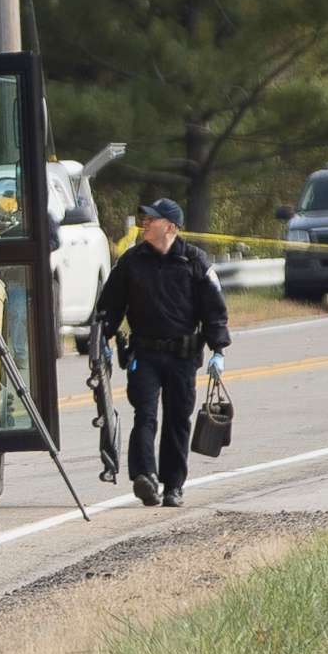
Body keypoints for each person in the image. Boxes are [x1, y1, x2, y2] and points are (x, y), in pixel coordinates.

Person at [90, 198, 230, 508]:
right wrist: (100, 339)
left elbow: (215, 311)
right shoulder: (131, 262)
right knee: (146, 415)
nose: (145, 224)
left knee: (178, 420)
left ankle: (173, 486)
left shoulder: (195, 262)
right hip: (145, 354)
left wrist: (218, 350)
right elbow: (109, 307)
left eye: (151, 220)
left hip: (183, 356)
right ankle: (146, 477)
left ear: (169, 226)